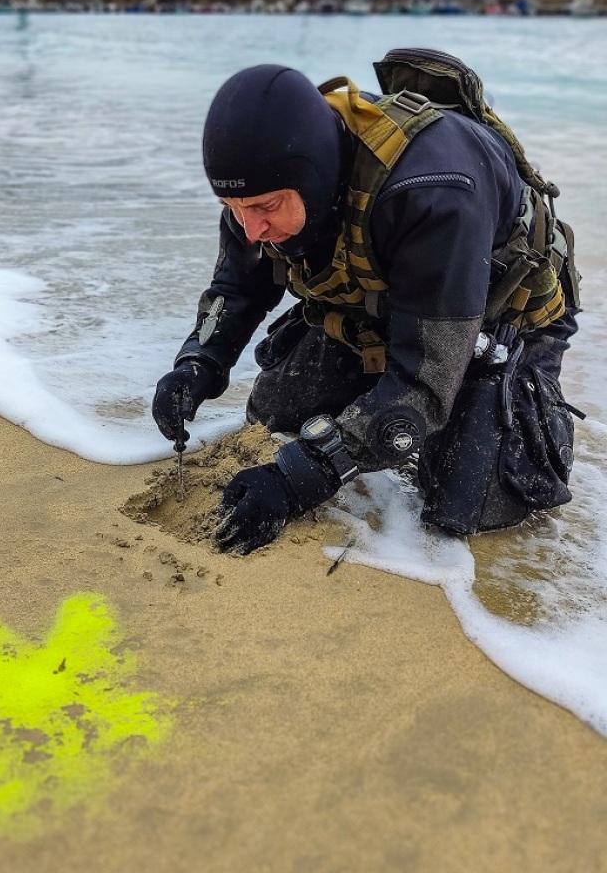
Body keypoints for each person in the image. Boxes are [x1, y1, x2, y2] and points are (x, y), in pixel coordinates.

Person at [151, 51, 582, 555]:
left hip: (500, 323)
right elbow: (239, 288)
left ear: (313, 180)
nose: (250, 229)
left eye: (265, 208)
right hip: (385, 308)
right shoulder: (260, 189)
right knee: (273, 418)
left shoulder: (432, 191)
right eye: (233, 208)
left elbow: (427, 376)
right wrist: (198, 362)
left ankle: (526, 405)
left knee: (463, 511)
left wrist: (299, 480)